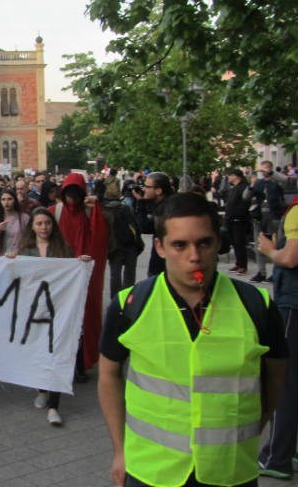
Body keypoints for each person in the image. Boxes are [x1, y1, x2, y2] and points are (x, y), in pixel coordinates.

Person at [98, 192, 287, 487]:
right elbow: (108, 376)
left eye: (204, 243)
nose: (194, 256)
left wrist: (251, 428)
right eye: (180, 245)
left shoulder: (257, 305)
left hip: (230, 472)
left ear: (217, 242)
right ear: (159, 247)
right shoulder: (130, 305)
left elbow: (275, 378)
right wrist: (120, 451)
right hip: (151, 471)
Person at [11, 208, 90, 426]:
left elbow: (70, 275)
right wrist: (10, 262)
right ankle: (41, 389)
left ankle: (54, 406)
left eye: (47, 223)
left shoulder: (63, 248)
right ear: (33, 227)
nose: (44, 227)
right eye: (39, 224)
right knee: (38, 353)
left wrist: (80, 263)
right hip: (34, 312)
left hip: (59, 310)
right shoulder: (26, 251)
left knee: (57, 354)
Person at [51, 172, 109, 381]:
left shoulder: (89, 212)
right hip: (61, 275)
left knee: (83, 320)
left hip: (83, 275)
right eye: (69, 194)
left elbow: (99, 239)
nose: (71, 199)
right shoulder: (54, 212)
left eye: (75, 194)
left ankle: (80, 363)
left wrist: (94, 210)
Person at [256, 199, 298, 479]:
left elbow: (291, 258)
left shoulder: (296, 211)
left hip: (294, 304)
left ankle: (277, 457)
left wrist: (270, 249)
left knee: (285, 381)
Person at [102, 183, 143, 297]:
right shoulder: (127, 208)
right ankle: (127, 298)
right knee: (130, 274)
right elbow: (135, 226)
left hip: (114, 246)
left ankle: (115, 300)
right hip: (130, 245)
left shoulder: (103, 212)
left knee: (115, 274)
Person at [133, 172, 175, 277]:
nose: (143, 189)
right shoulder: (165, 204)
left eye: (147, 187)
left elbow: (145, 227)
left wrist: (140, 202)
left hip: (162, 265)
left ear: (158, 190)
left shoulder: (166, 209)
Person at [250, 161, 286, 283]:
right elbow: (246, 196)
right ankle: (261, 272)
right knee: (259, 245)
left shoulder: (277, 182)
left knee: (276, 245)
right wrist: (251, 186)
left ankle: (275, 273)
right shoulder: (259, 183)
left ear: (271, 169)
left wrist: (270, 172)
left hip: (275, 217)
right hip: (260, 217)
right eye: (262, 169)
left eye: (265, 169)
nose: (263, 172)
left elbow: (285, 180)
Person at [0, 188, 29, 258]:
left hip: (18, 258)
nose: (6, 202)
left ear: (15, 200)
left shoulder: (24, 218)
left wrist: (19, 251)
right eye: (3, 199)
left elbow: (29, 240)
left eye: (9, 199)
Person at [224, 169, 253, 276]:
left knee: (240, 243)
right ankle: (238, 263)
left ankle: (243, 266)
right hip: (231, 219)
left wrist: (237, 214)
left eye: (230, 175)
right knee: (235, 243)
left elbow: (245, 203)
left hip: (239, 220)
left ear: (236, 176)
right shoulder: (234, 188)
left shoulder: (244, 187)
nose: (228, 178)